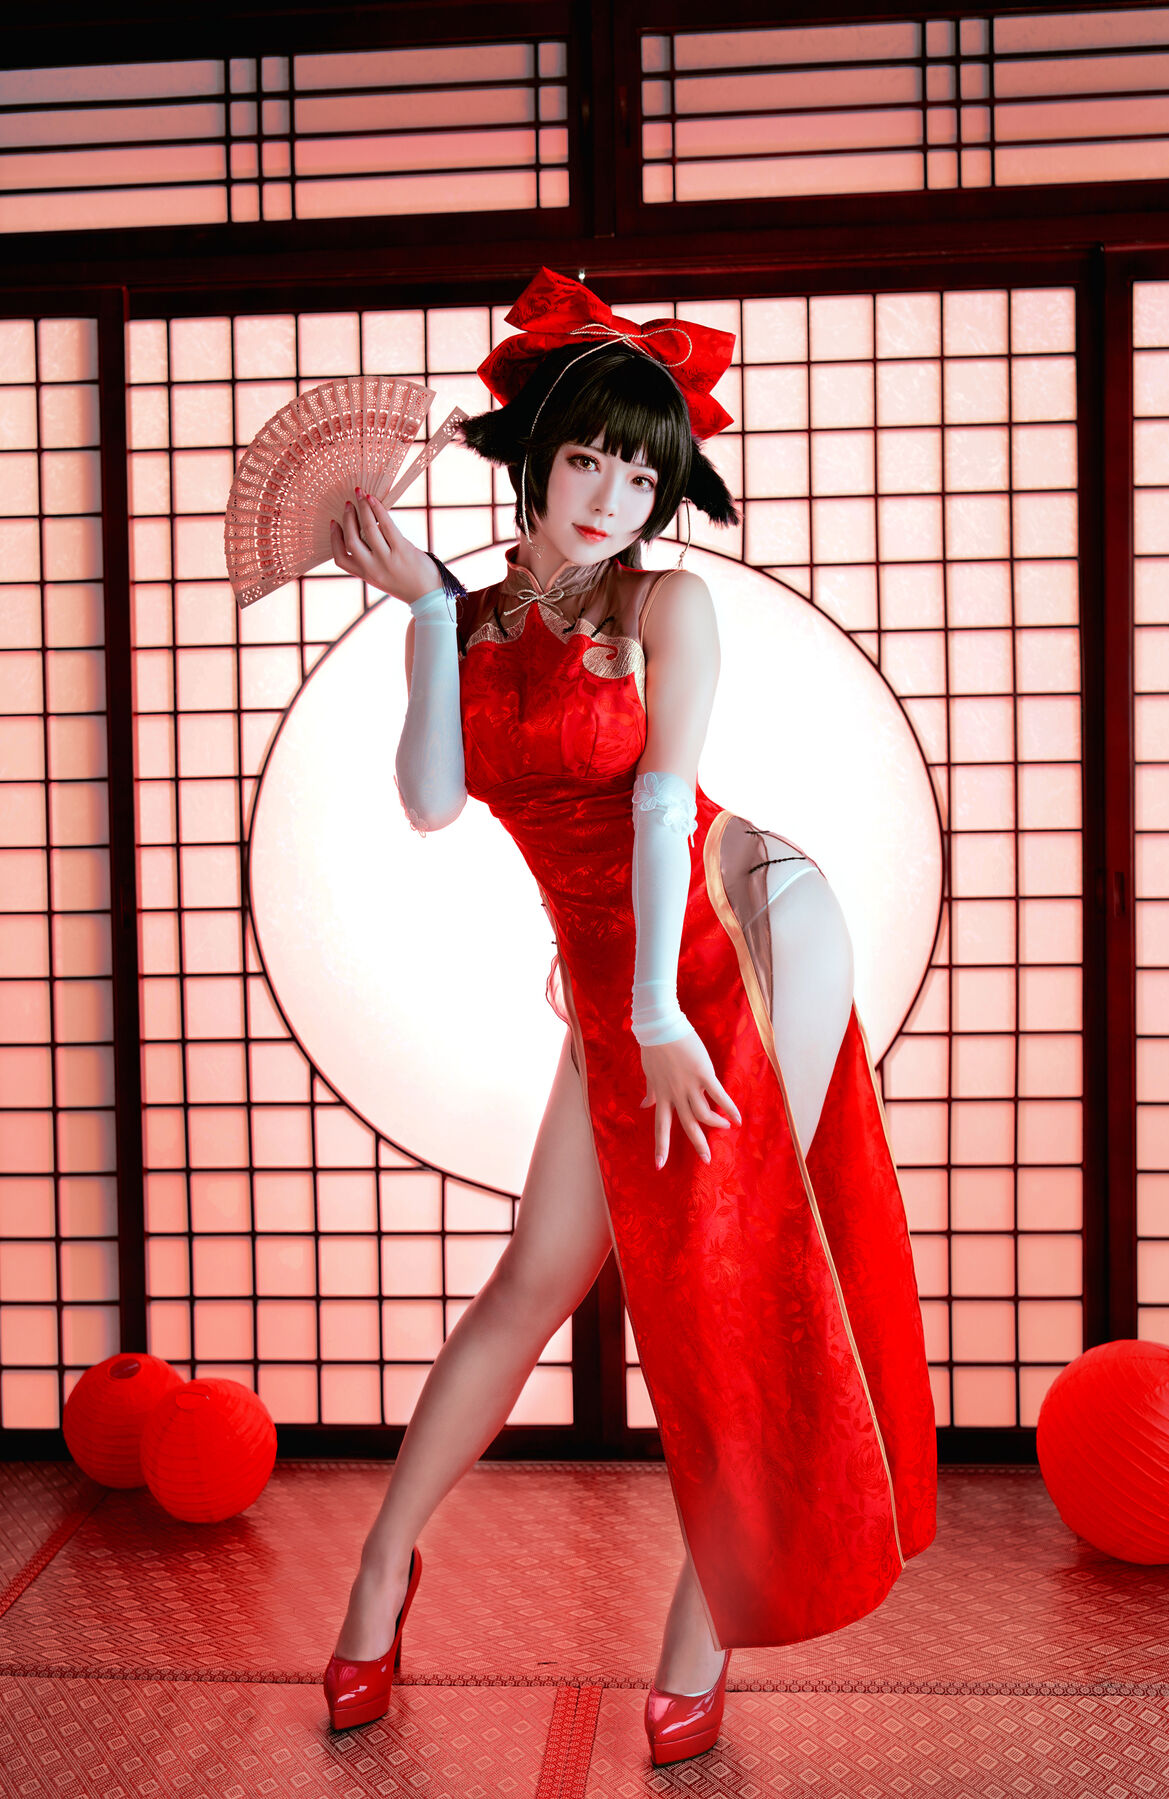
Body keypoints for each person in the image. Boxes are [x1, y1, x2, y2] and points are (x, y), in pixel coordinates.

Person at [320, 267, 937, 1763]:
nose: (611, 497)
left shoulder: (670, 603)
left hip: (751, 929)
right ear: (535, 454)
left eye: (643, 475)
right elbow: (430, 803)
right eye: (590, 458)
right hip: (623, 972)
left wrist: (655, 1006)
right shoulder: (462, 617)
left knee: (735, 1274)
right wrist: (425, 614)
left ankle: (700, 1636)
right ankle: (381, 1571)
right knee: (536, 1277)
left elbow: (662, 806)